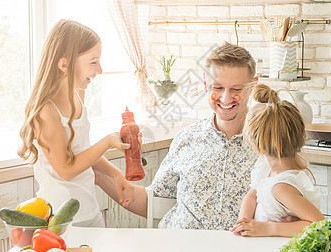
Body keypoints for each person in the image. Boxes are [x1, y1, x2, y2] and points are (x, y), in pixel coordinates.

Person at [95, 42, 260, 230]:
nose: (225, 98)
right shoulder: (187, 138)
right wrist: (96, 170)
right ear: (206, 82)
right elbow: (153, 202)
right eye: (218, 88)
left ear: (253, 85)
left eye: (236, 90)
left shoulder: (270, 143)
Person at [18, 19, 133, 227]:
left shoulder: (77, 96)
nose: (99, 69)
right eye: (93, 61)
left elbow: (81, 150)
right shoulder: (46, 111)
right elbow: (66, 169)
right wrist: (107, 142)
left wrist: (115, 173)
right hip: (61, 220)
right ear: (64, 64)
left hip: (89, 210)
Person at [230, 84, 325, 237]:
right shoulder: (265, 168)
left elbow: (321, 226)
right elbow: (252, 194)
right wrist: (244, 222)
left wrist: (268, 229)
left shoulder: (282, 187)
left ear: (257, 145)